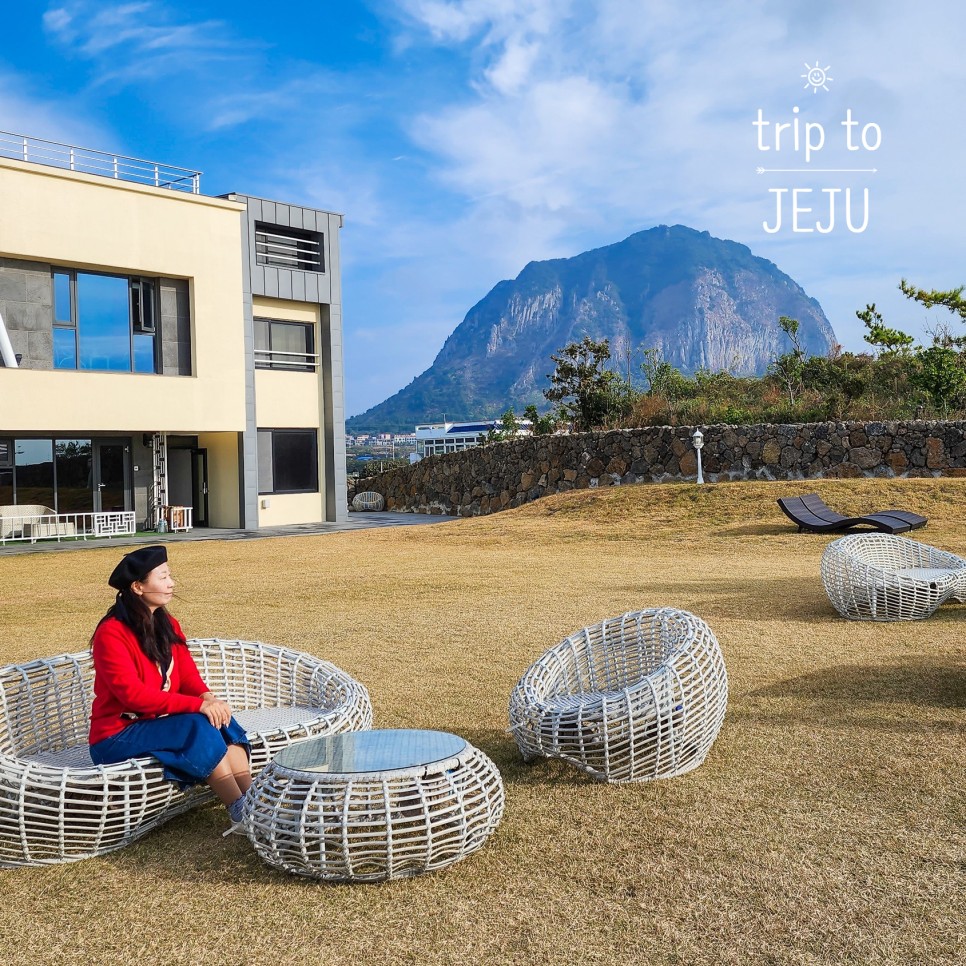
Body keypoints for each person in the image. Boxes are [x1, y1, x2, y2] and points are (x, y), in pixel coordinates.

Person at [88, 544, 251, 827]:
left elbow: (187, 675)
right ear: (138, 586)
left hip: (157, 726)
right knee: (198, 724)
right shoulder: (111, 633)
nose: (171, 583)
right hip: (115, 737)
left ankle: (254, 800)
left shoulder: (167, 624)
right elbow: (133, 696)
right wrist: (199, 706)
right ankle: (241, 812)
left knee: (221, 721)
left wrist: (208, 698)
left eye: (169, 575)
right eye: (162, 577)